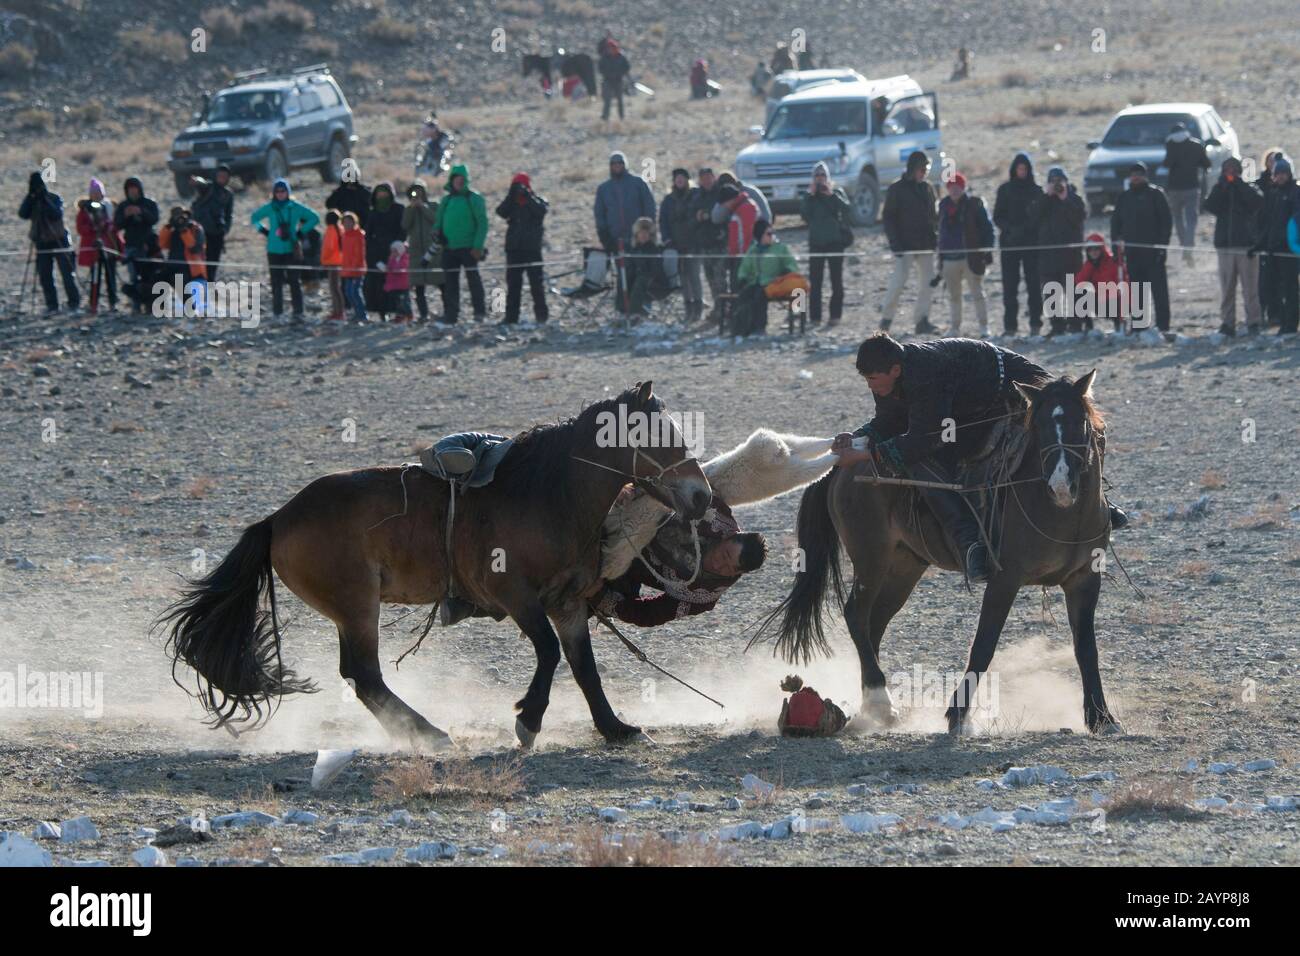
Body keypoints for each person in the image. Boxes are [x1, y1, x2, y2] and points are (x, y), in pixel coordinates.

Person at [830, 334, 1048, 583]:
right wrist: (858, 437)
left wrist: (866, 454)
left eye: (872, 379)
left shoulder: (926, 375)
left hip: (1009, 386)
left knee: (1066, 421)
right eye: (866, 379)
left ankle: (968, 541)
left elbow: (926, 439)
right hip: (962, 408)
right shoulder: (888, 378)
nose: (870, 386)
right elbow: (890, 419)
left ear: (895, 370)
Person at [594, 491, 768, 627]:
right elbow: (673, 483)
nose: (718, 565)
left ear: (739, 573)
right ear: (728, 536)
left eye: (729, 569)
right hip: (623, 507)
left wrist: (599, 595)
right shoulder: (714, 512)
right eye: (725, 555)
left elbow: (649, 614)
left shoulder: (702, 596)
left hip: (614, 568)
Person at [1202, 156, 1262, 336]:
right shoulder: (1220, 189)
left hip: (1246, 247)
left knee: (1250, 288)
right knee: (1227, 288)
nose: (1230, 173)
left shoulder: (1248, 188)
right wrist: (1223, 186)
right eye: (1227, 170)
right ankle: (1228, 323)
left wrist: (1238, 184)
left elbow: (1257, 202)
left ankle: (1253, 322)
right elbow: (1209, 205)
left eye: (1233, 170)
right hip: (1225, 247)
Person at [880, 150, 939, 333]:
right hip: (904, 246)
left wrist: (935, 238)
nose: (925, 172)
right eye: (922, 169)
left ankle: (922, 320)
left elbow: (933, 216)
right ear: (913, 169)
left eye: (926, 169)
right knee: (897, 283)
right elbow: (888, 217)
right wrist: (894, 242)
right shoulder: (896, 188)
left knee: (928, 284)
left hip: (926, 245)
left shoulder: (928, 188)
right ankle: (886, 321)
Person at [1111, 162, 1172, 334]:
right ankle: (1139, 325)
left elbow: (1166, 223)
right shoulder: (1124, 197)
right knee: (1138, 291)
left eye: (1139, 173)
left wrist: (1162, 247)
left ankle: (1163, 327)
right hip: (1133, 253)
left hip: (1153, 253)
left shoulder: (1156, 194)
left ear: (1145, 176)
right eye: (1133, 174)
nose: (1136, 177)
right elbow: (1116, 225)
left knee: (1159, 292)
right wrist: (1116, 249)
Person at [249, 178, 319, 323]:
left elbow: (314, 218)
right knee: (276, 282)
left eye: (283, 191)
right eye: (278, 191)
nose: (280, 194)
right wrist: (263, 231)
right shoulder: (270, 207)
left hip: (291, 249)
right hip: (274, 249)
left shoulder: (295, 207)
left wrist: (301, 232)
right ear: (274, 193)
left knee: (294, 281)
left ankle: (298, 312)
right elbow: (254, 218)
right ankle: (277, 313)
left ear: (288, 192)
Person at [594, 151, 656, 312]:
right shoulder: (604, 189)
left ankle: (641, 307)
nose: (617, 167)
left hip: (639, 240)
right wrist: (605, 238)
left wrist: (646, 233)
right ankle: (623, 309)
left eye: (620, 164)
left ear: (625, 165)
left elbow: (649, 208)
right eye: (614, 164)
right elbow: (600, 215)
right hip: (617, 241)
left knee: (641, 274)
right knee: (624, 276)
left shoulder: (638, 183)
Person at [935, 171, 994, 336]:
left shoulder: (974, 204)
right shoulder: (942, 206)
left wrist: (987, 250)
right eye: (951, 187)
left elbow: (987, 228)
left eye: (957, 186)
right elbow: (939, 231)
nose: (954, 190)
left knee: (977, 293)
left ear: (963, 187)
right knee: (954, 296)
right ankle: (954, 328)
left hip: (971, 258)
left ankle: (984, 327)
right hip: (948, 259)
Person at [992, 152, 1043, 334]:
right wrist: (1010, 230)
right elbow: (998, 216)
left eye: (1025, 169)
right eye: (1019, 168)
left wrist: (1025, 230)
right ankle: (1010, 326)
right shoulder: (1005, 190)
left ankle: (1036, 324)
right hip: (1009, 244)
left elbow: (1039, 219)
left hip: (1031, 245)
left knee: (1034, 285)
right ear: (1014, 169)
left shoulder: (1037, 191)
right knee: (1010, 287)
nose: (1022, 172)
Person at [1034, 166, 1088, 336]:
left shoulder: (1075, 199)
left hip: (1071, 255)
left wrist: (1065, 199)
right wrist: (1046, 196)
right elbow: (1033, 218)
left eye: (1060, 181)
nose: (1057, 185)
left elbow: (1079, 218)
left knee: (1075, 292)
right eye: (1053, 181)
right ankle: (1056, 326)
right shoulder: (1044, 200)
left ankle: (1076, 325)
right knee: (1051, 292)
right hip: (1048, 255)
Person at [19, 172, 80, 316]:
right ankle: (52, 305)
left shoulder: (54, 198)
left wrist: (44, 198)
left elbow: (56, 214)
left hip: (59, 240)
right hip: (41, 242)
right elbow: (22, 214)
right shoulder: (32, 200)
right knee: (45, 275)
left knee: (67, 274)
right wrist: (30, 197)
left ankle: (74, 302)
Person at [434, 163, 488, 324]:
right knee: (450, 284)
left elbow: (482, 223)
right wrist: (437, 233)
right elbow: (438, 221)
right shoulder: (446, 200)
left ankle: (479, 313)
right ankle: (451, 315)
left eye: (462, 179)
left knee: (474, 281)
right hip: (449, 248)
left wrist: (478, 246)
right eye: (456, 178)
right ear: (451, 180)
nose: (459, 181)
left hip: (469, 248)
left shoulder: (474, 198)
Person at [800, 161, 852, 327]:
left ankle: (835, 316)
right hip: (816, 243)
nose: (820, 179)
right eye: (817, 176)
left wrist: (832, 195)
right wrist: (810, 195)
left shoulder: (836, 192)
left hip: (835, 242)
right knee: (816, 282)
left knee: (836, 281)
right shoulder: (809, 196)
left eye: (823, 175)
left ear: (828, 177)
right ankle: (815, 317)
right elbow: (804, 215)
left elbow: (848, 209)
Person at [734, 219, 806, 335]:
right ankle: (742, 328)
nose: (771, 236)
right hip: (756, 283)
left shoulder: (780, 248)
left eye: (772, 233)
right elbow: (744, 268)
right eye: (768, 234)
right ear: (760, 235)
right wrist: (742, 278)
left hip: (775, 283)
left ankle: (760, 327)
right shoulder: (753, 250)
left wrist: (786, 270)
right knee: (744, 296)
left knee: (761, 295)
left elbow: (791, 264)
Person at [1253, 157, 1300, 335]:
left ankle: (1291, 324)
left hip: (1289, 250)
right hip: (1274, 249)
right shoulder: (1274, 194)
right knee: (1271, 287)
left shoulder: (1296, 192)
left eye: (1283, 174)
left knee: (1290, 288)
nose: (1280, 177)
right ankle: (1281, 321)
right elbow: (1269, 223)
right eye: (1277, 174)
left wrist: (1288, 242)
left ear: (1289, 174)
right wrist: (1260, 244)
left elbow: (1296, 221)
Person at [496, 172, 549, 325]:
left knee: (537, 285)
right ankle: (511, 318)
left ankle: (541, 317)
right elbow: (500, 212)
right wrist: (510, 195)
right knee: (513, 286)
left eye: (521, 185)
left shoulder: (538, 200)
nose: (519, 189)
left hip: (532, 250)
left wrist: (527, 196)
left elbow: (541, 211)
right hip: (514, 250)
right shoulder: (511, 203)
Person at [1163, 121, 1211, 265]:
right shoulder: (1196, 145)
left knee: (1178, 219)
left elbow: (1166, 164)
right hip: (1191, 187)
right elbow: (1207, 164)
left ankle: (1185, 245)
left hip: (1174, 188)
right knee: (1191, 219)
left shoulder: (1171, 145)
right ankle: (1188, 248)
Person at [660, 168, 703, 321]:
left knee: (694, 275)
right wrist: (667, 240)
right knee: (683, 277)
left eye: (682, 178)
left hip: (694, 244)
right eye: (677, 178)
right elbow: (663, 221)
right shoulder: (668, 200)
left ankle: (698, 307)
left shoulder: (696, 195)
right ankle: (688, 308)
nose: (679, 181)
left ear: (687, 180)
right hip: (676, 245)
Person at [113, 176, 159, 314]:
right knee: (134, 277)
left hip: (148, 246)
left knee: (149, 276)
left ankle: (151, 305)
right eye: (130, 189)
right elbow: (117, 225)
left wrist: (141, 212)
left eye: (135, 188)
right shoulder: (123, 206)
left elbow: (154, 219)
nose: (133, 191)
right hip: (131, 246)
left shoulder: (149, 203)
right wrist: (126, 215)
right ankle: (136, 304)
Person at [75, 178, 120, 312]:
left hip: (108, 246)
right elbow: (80, 228)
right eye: (93, 192)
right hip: (93, 248)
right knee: (95, 277)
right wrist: (93, 228)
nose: (96, 195)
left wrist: (106, 225)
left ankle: (113, 302)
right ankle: (93, 303)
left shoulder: (109, 207)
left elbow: (116, 226)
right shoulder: (85, 210)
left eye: (98, 192)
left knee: (110, 275)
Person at [363, 182, 406, 320]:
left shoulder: (399, 209)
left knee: (397, 283)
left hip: (395, 251)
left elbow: (403, 230)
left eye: (385, 193)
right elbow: (368, 235)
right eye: (379, 193)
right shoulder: (373, 212)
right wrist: (372, 256)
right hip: (376, 252)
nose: (382, 196)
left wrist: (397, 245)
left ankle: (400, 312)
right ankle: (382, 313)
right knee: (377, 284)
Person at [690, 167, 728, 323]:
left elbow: (722, 215)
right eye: (703, 178)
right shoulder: (697, 196)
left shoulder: (721, 194)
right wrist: (698, 218)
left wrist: (707, 215)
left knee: (720, 279)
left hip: (719, 243)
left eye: (709, 177)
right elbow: (691, 219)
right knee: (710, 278)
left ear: (714, 178)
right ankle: (717, 308)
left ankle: (724, 309)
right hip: (704, 244)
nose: (706, 181)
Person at [403, 180, 442, 322]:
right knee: (419, 286)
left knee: (441, 283)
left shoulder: (433, 206)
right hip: (416, 252)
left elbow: (436, 220)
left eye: (419, 191)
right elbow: (405, 225)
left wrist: (423, 207)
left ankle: (448, 313)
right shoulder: (409, 209)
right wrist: (413, 208)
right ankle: (423, 314)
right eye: (414, 192)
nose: (417, 194)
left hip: (433, 251)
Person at [157, 205, 207, 315]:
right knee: (157, 279)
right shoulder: (172, 230)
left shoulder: (195, 228)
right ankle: (161, 309)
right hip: (172, 264)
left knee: (180, 282)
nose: (179, 218)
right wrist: (168, 227)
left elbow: (195, 248)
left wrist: (184, 231)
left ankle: (191, 310)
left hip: (189, 266)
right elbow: (162, 244)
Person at [1254, 148, 1284, 326]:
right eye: (1271, 161)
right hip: (1262, 238)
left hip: (1281, 239)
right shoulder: (1259, 184)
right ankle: (1262, 313)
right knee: (1263, 280)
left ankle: (1277, 314)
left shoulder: (1288, 187)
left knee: (1280, 280)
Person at [190, 165, 233, 281]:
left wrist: (225, 229)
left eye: (225, 176)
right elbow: (201, 183)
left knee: (213, 263)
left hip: (217, 232)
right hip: (202, 232)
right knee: (200, 262)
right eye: (220, 176)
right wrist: (196, 181)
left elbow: (229, 214)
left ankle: (209, 287)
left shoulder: (228, 194)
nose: (222, 178)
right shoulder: (209, 187)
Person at [1075, 233, 1123, 331]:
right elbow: (1079, 281)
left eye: (1096, 249)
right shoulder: (1088, 265)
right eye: (1090, 250)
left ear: (1102, 249)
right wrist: (1090, 266)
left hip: (1114, 300)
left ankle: (1119, 324)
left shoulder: (1112, 262)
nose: (1094, 252)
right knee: (1078, 293)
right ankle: (1088, 326)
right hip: (1099, 300)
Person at [624, 216, 668, 317]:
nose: (643, 235)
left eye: (646, 233)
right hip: (639, 282)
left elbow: (656, 270)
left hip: (656, 283)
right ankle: (622, 311)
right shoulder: (634, 250)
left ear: (649, 235)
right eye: (641, 233)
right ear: (637, 235)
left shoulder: (655, 249)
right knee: (624, 281)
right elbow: (630, 267)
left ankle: (635, 314)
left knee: (641, 281)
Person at [340, 212, 367, 322]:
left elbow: (359, 253)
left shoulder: (359, 235)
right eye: (345, 222)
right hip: (347, 269)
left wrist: (356, 267)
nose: (347, 224)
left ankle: (362, 314)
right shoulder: (344, 235)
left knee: (354, 292)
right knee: (348, 292)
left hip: (357, 269)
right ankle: (356, 313)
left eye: (349, 222)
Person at [379, 239, 413, 322]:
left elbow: (403, 268)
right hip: (395, 285)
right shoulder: (391, 259)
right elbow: (390, 268)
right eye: (392, 251)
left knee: (405, 301)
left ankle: (409, 314)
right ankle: (400, 315)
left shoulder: (405, 258)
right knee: (397, 301)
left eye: (395, 251)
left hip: (403, 285)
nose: (393, 253)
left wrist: (393, 269)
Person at [321, 210, 345, 321]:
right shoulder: (340, 228)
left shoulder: (331, 230)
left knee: (334, 288)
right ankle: (337, 311)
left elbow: (329, 248)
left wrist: (324, 261)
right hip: (339, 261)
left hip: (332, 262)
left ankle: (338, 312)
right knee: (336, 288)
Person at [598, 38, 630, 120]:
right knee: (607, 101)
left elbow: (627, 67)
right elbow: (600, 69)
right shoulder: (604, 57)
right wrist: (608, 74)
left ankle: (621, 117)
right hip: (607, 81)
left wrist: (619, 74)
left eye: (612, 48)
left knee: (620, 100)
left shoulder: (621, 57)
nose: (610, 49)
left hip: (618, 81)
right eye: (609, 48)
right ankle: (605, 117)